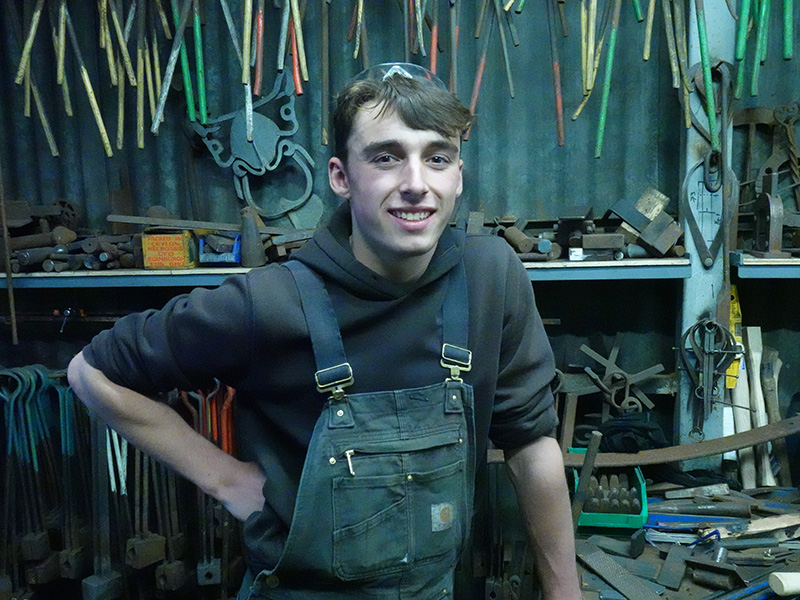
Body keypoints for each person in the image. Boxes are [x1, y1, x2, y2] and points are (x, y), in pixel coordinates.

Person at [68, 63, 581, 600]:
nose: (415, 184)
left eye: (437, 157)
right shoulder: (267, 301)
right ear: (341, 177)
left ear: (458, 174)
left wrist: (563, 593)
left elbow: (530, 445)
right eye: (386, 157)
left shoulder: (491, 276)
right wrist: (224, 479)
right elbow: (91, 372)